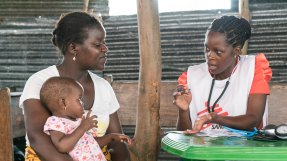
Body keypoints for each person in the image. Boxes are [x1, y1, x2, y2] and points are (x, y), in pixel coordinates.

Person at [19, 11, 130, 161]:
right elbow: (38, 140)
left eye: (104, 43)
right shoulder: (40, 82)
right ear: (73, 48)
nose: (105, 49)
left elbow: (117, 146)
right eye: (97, 44)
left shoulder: (103, 87)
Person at [173, 15, 272, 135]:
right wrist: (183, 111)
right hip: (204, 152)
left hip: (245, 150)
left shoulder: (253, 69)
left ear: (236, 51)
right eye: (207, 49)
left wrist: (215, 118)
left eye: (218, 51)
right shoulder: (192, 76)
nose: (209, 56)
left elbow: (253, 120)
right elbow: (184, 134)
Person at [41, 77, 131, 161]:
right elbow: (62, 146)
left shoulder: (78, 122)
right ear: (63, 103)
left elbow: (91, 143)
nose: (82, 103)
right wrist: (83, 128)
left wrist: (111, 137)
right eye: (79, 99)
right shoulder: (55, 122)